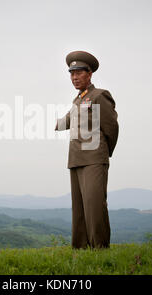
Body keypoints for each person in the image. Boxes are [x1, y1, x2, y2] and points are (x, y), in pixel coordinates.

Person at [55, 50, 119, 249]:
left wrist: (103, 152)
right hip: (75, 158)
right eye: (71, 74)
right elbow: (65, 122)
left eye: (79, 73)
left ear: (89, 74)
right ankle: (80, 247)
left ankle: (99, 248)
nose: (74, 77)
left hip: (94, 157)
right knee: (80, 207)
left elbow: (112, 127)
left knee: (94, 204)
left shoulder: (99, 96)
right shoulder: (78, 100)